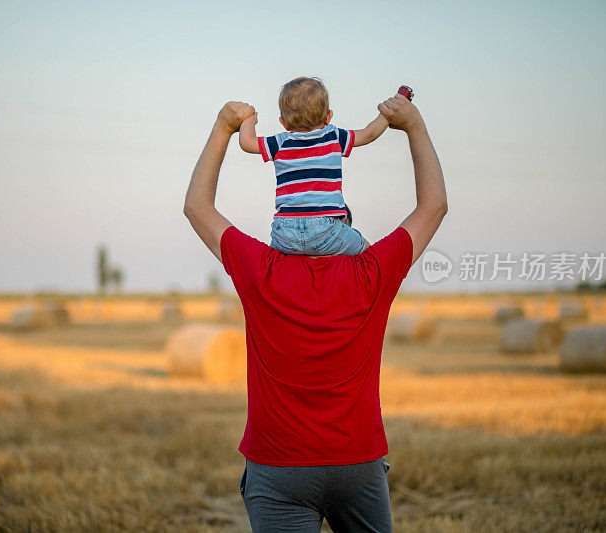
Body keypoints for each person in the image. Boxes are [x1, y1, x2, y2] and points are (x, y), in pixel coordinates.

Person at [183, 93, 446, 532]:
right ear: (343, 223)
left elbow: (197, 208)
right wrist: (414, 125)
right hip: (357, 461)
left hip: (277, 465)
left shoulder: (259, 270)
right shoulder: (371, 273)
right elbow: (433, 206)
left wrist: (223, 128)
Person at [238, 76, 394, 256]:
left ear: (283, 122)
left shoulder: (279, 143)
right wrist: (387, 115)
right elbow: (368, 134)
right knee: (367, 252)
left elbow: (247, 142)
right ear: (329, 116)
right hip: (325, 230)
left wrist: (248, 119)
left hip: (284, 233)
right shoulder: (333, 136)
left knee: (274, 262)